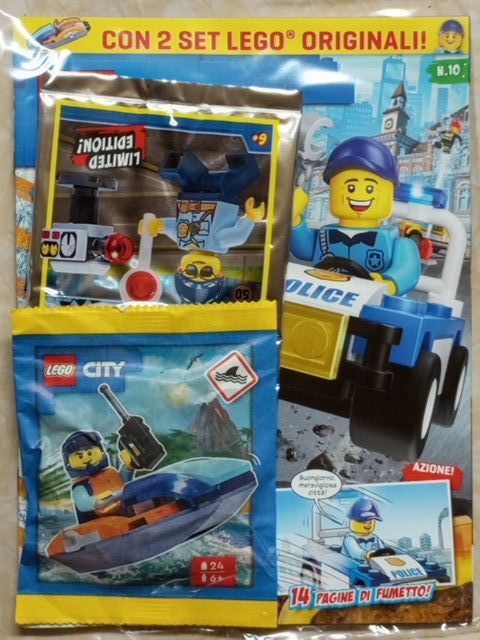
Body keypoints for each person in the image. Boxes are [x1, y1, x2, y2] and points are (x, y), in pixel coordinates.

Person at [291, 137, 421, 296]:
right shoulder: (325, 235)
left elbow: (407, 269)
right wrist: (294, 219)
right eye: (350, 188)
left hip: (371, 304)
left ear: (389, 192)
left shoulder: (397, 242)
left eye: (369, 189)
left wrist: (387, 284)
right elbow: (303, 250)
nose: (358, 196)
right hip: (326, 297)